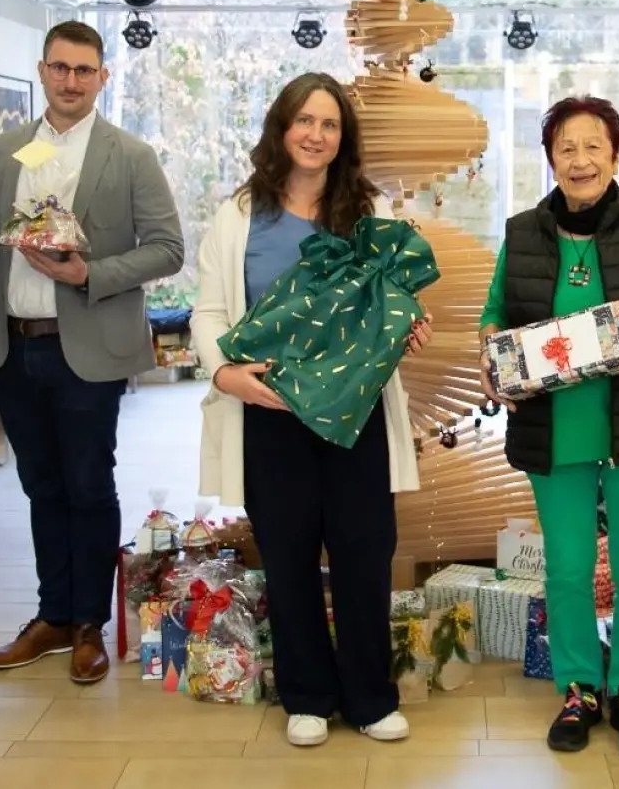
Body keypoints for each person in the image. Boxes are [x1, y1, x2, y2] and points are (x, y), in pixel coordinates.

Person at [192, 72, 431, 747]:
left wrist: (409, 323)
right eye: (304, 121)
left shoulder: (370, 212)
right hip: (270, 411)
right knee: (288, 553)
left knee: (363, 550)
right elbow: (209, 311)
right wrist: (225, 372)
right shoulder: (238, 214)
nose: (315, 135)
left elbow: (393, 300)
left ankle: (369, 696)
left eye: (329, 124)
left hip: (355, 413)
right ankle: (306, 695)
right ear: (280, 128)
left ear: (342, 138)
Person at [0, 21, 184, 685]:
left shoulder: (129, 155)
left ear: (102, 77)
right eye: (60, 68)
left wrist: (91, 274)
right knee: (40, 485)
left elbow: (167, 248)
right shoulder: (7, 153)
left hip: (87, 350)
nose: (71, 81)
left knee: (87, 484)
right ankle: (51, 616)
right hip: (11, 349)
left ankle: (89, 623)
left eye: (84, 70)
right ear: (42, 70)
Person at [479, 95, 619, 760]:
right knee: (569, 570)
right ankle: (577, 687)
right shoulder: (521, 231)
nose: (579, 160)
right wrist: (491, 358)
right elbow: (494, 314)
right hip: (556, 429)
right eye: (566, 148)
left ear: (615, 154)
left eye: (592, 147)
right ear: (550, 158)